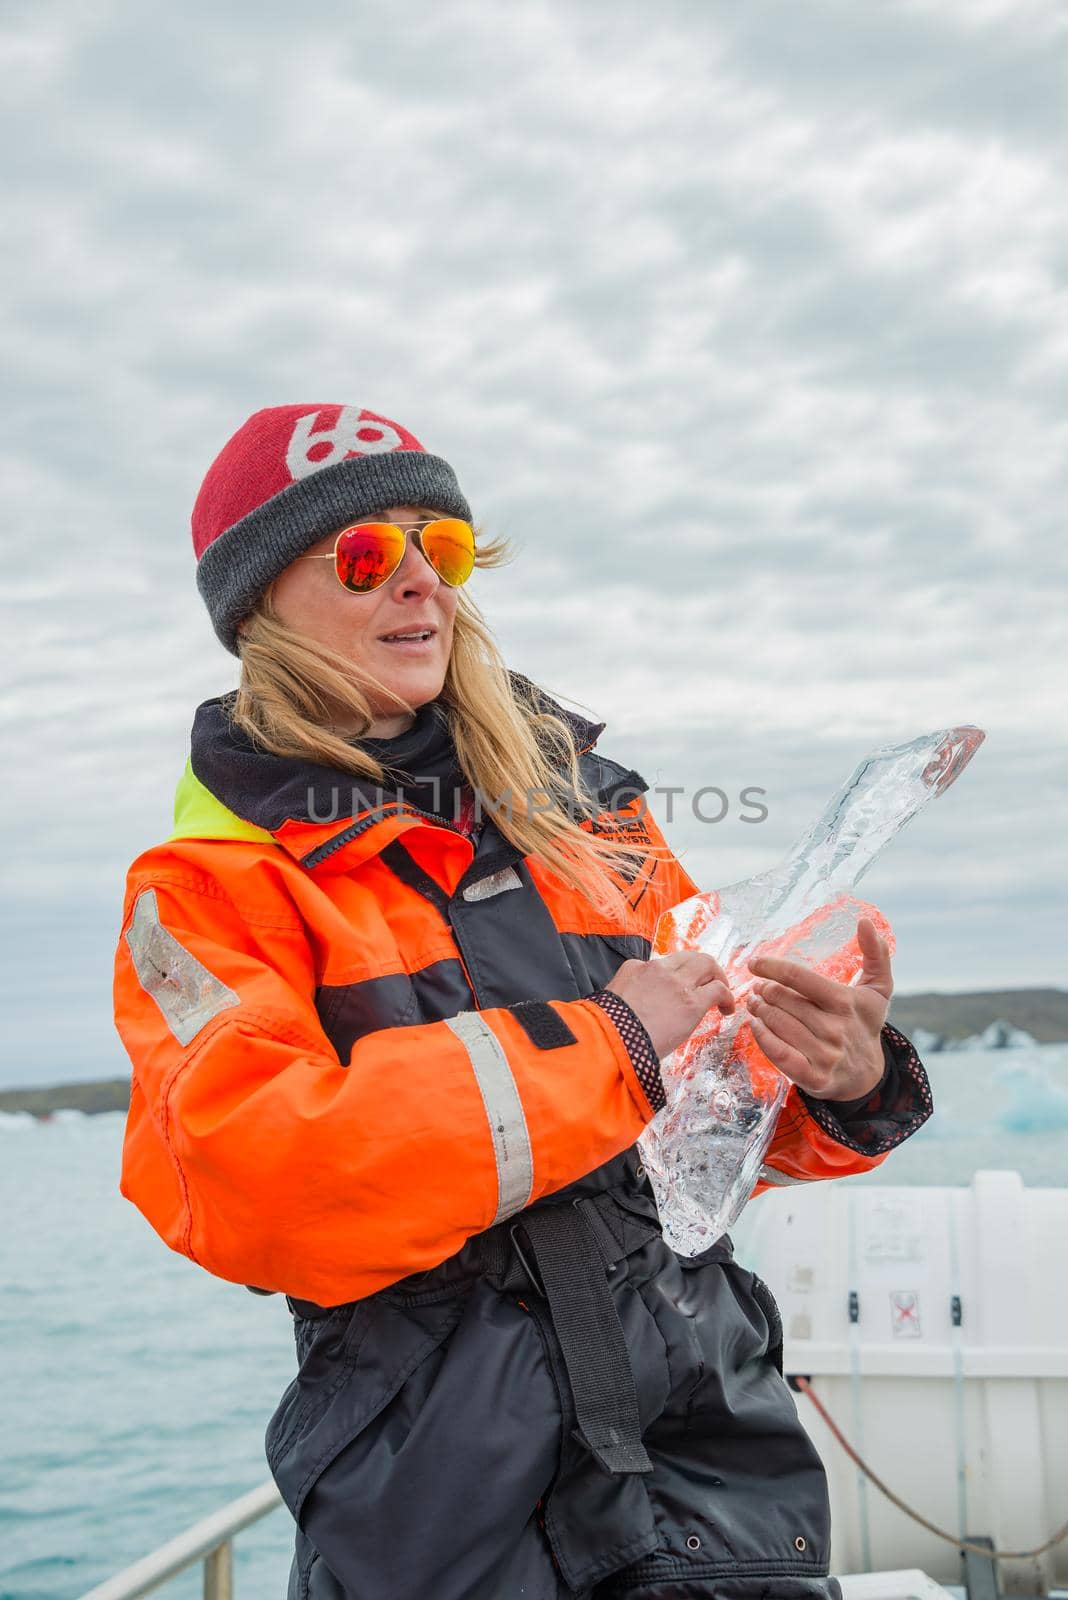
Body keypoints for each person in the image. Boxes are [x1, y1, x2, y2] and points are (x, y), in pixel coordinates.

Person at [112, 403, 933, 1600]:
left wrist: (834, 1081)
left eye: (437, 550)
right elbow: (256, 1179)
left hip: (713, 1478)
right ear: (258, 613)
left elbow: (703, 1131)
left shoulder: (599, 825)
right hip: (446, 1513)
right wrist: (609, 1045)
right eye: (362, 557)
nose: (418, 587)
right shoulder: (205, 891)